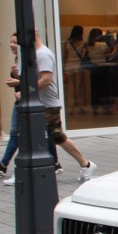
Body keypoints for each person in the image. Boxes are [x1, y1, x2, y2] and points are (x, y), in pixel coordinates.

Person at [14, 31, 97, 184]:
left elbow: (46, 80)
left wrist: (25, 93)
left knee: (56, 136)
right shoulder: (36, 55)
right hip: (41, 103)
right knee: (32, 134)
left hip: (48, 104)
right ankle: (82, 164)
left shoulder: (43, 54)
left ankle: (85, 164)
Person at [0, 34, 61, 181]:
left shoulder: (38, 56)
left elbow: (43, 81)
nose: (12, 45)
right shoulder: (20, 60)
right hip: (24, 100)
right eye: (10, 42)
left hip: (33, 101)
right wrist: (16, 77)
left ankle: (76, 163)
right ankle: (5, 164)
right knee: (34, 133)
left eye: (15, 42)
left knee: (51, 135)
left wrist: (19, 83)